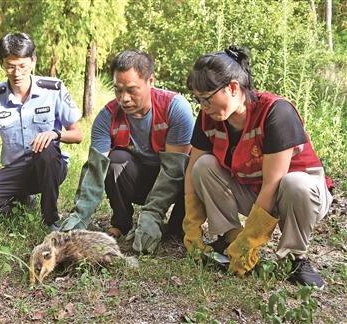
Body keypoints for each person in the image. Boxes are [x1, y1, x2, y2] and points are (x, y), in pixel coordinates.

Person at [182, 45, 333, 288]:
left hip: (299, 192)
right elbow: (192, 169)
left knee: (295, 184)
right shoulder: (208, 117)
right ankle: (229, 239)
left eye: (207, 98)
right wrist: (191, 222)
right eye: (197, 99)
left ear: (232, 87)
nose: (202, 106)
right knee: (203, 165)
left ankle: (295, 258)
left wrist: (250, 240)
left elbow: (273, 185)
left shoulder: (276, 112)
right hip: (252, 186)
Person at [60, 50, 194, 254]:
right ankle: (122, 222)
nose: (124, 98)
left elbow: (174, 172)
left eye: (132, 90)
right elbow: (95, 172)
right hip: (137, 180)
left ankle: (175, 227)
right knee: (115, 160)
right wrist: (79, 217)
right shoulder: (107, 117)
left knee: (195, 165)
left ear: (151, 81)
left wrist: (152, 214)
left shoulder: (175, 108)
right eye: (118, 90)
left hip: (172, 181)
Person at [0, 32, 83, 231]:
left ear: (33, 61)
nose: (16, 73)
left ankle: (50, 219)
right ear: (2, 63)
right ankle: (21, 202)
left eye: (22, 66)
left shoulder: (53, 90)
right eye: (10, 66)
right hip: (16, 170)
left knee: (45, 151)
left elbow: (78, 135)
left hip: (50, 166)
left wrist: (55, 134)